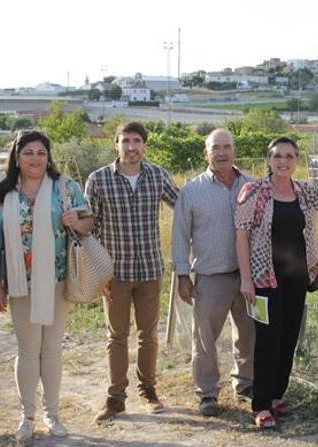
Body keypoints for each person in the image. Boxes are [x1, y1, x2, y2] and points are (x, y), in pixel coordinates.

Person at [235, 136, 318, 428]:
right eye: (278, 156)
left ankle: (277, 395)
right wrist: (245, 279)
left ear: (297, 160)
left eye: (289, 156)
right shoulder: (252, 191)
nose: (283, 161)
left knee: (288, 337)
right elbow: (241, 235)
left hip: (296, 279)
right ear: (269, 160)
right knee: (267, 341)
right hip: (264, 279)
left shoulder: (304, 191)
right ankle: (261, 405)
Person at [0, 131, 93, 442]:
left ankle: (53, 414)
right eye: (28, 152)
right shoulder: (1, 195)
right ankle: (27, 416)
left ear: (49, 156)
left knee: (52, 350)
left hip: (57, 279)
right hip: (20, 283)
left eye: (41, 152)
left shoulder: (65, 187)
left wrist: (77, 221)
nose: (35, 158)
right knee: (28, 350)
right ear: (17, 158)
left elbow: (88, 224)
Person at [86, 122, 179, 420]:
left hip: (150, 269)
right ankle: (115, 399)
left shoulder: (157, 176)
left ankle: (148, 391)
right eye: (125, 141)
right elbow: (90, 229)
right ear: (116, 144)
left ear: (144, 145)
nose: (131, 147)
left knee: (149, 335)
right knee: (117, 336)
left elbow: (184, 206)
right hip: (115, 273)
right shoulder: (99, 180)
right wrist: (98, 274)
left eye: (136, 141)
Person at [171, 129, 255, 417]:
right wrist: (183, 276)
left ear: (235, 151)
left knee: (248, 335)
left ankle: (245, 385)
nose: (221, 152)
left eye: (227, 146)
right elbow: (180, 235)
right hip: (210, 277)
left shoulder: (252, 186)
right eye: (215, 147)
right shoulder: (192, 191)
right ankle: (207, 393)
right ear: (205, 153)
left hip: (249, 278)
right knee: (205, 340)